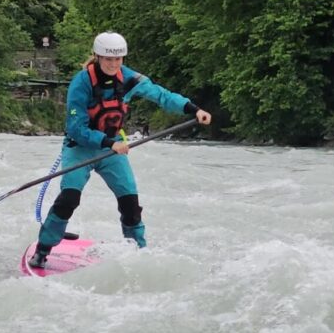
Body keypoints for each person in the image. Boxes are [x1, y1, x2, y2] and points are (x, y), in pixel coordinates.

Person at [28, 32, 212, 269]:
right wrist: (108, 143)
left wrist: (193, 109)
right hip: (81, 148)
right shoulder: (81, 83)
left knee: (130, 205)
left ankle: (139, 255)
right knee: (69, 199)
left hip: (113, 150)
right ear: (96, 57)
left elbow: (161, 95)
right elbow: (75, 128)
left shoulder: (130, 79)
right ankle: (43, 250)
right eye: (107, 59)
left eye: (118, 59)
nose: (113, 64)